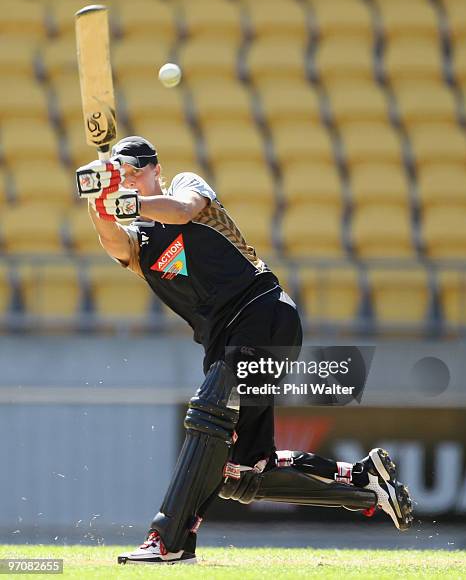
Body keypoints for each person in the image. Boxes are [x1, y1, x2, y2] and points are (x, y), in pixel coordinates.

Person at [76, 135, 413, 565]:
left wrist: (120, 199)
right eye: (123, 177)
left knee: (210, 410)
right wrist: (95, 198)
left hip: (263, 314)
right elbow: (111, 239)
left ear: (155, 170)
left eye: (135, 173)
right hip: (226, 345)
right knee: (242, 475)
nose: (131, 182)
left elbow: (180, 212)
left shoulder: (187, 185)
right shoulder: (140, 242)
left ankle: (169, 540)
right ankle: (364, 484)